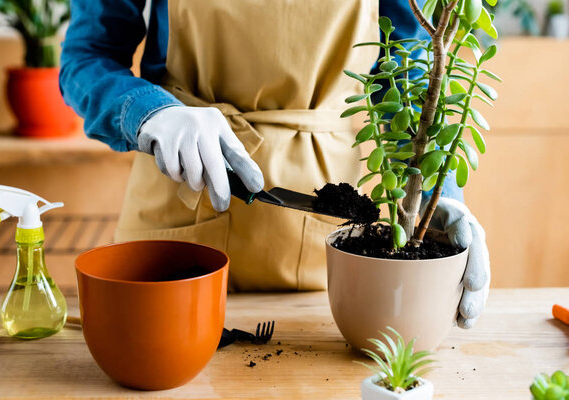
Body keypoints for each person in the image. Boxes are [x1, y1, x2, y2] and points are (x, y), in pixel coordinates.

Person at [60, 0, 489, 328]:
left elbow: (408, 70)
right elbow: (87, 57)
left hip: (333, 240)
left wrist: (436, 193)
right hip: (180, 191)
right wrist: (150, 113)